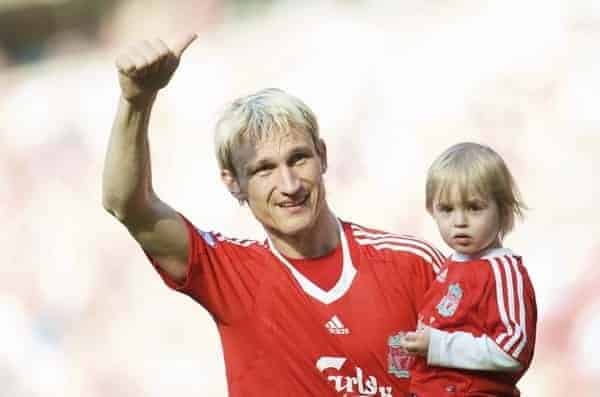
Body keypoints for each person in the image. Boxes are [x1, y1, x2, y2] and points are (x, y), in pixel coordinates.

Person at [102, 33, 445, 397]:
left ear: (323, 156)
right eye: (263, 169)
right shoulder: (229, 273)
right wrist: (136, 102)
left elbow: (479, 377)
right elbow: (127, 204)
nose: (289, 183)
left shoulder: (412, 264)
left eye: (298, 158)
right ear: (233, 183)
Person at [398, 142, 538, 396]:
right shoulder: (449, 265)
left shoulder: (503, 270)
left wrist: (438, 345)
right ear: (432, 211)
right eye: (447, 209)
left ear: (504, 210)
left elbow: (513, 349)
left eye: (474, 207)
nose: (460, 222)